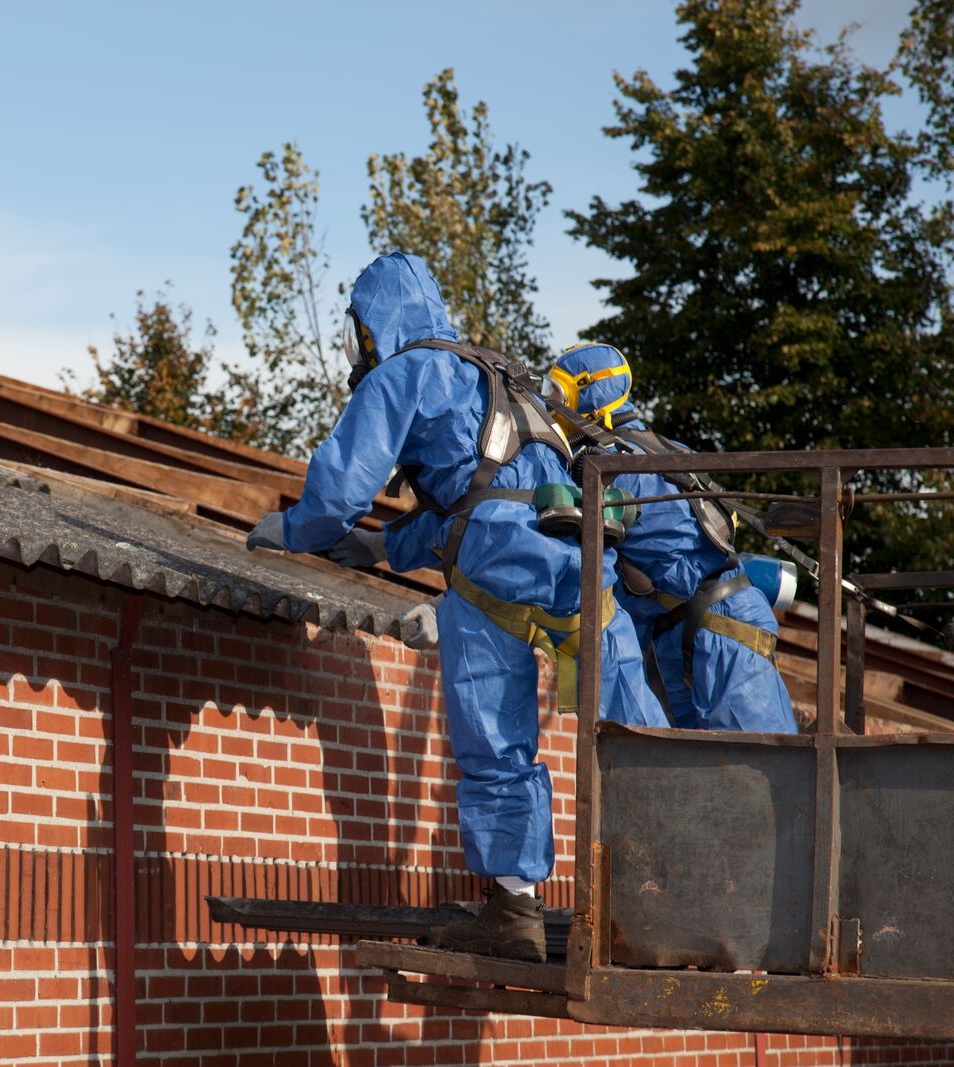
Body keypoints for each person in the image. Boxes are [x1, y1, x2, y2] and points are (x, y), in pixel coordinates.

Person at [246, 254, 667, 963]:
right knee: (635, 738)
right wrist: (383, 547)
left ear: (373, 325)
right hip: (580, 568)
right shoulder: (495, 376)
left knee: (497, 736)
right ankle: (675, 889)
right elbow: (484, 495)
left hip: (494, 573)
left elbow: (339, 491)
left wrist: (293, 530)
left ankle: (512, 908)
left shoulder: (403, 372)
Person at [544, 343, 796, 734]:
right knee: (695, 778)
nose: (551, 405)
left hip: (721, 627)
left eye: (558, 393)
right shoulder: (663, 450)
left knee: (762, 772)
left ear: (589, 392)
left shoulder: (603, 468)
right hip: (687, 631)